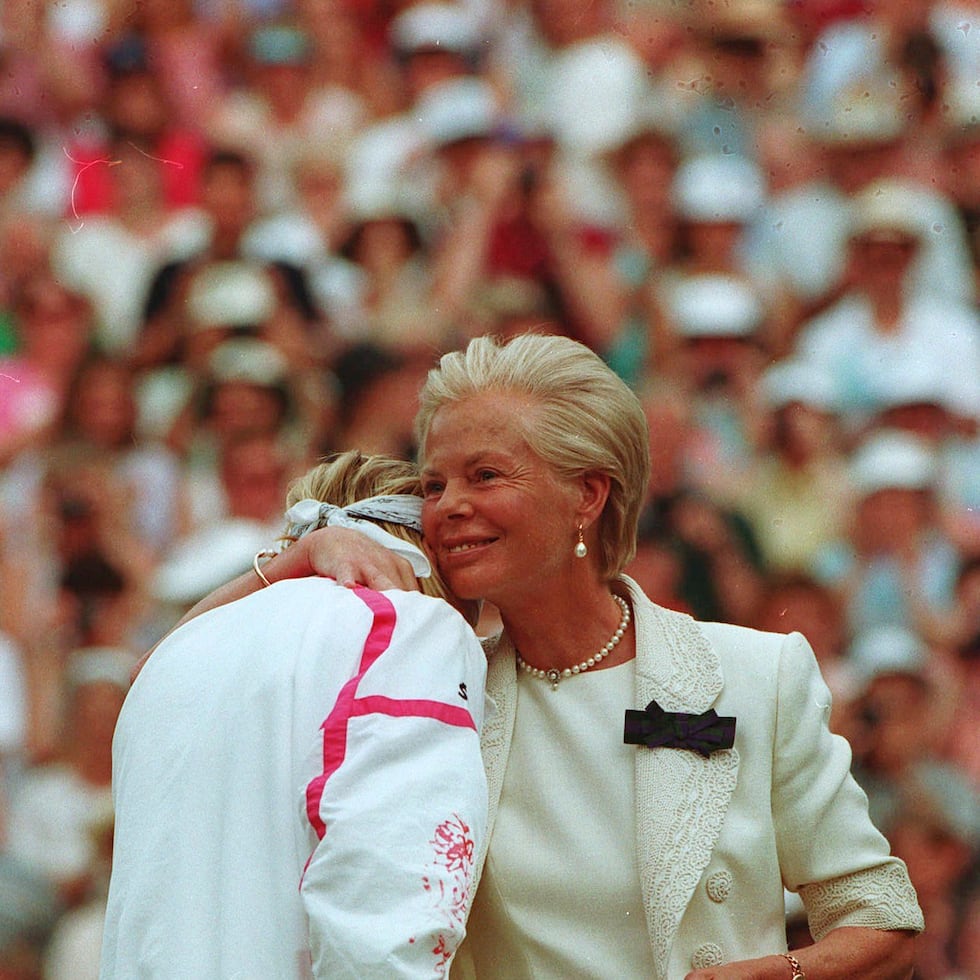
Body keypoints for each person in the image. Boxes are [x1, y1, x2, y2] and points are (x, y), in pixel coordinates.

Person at [175, 333, 924, 978]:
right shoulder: (434, 689)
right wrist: (299, 556)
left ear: (588, 495)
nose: (447, 506)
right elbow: (174, 676)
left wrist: (781, 971)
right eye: (434, 484)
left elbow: (883, 918)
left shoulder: (757, 676)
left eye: (486, 475)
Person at [101, 450, 488, 979]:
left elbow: (141, 669)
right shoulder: (411, 626)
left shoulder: (179, 653)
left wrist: (289, 561)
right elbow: (388, 912)